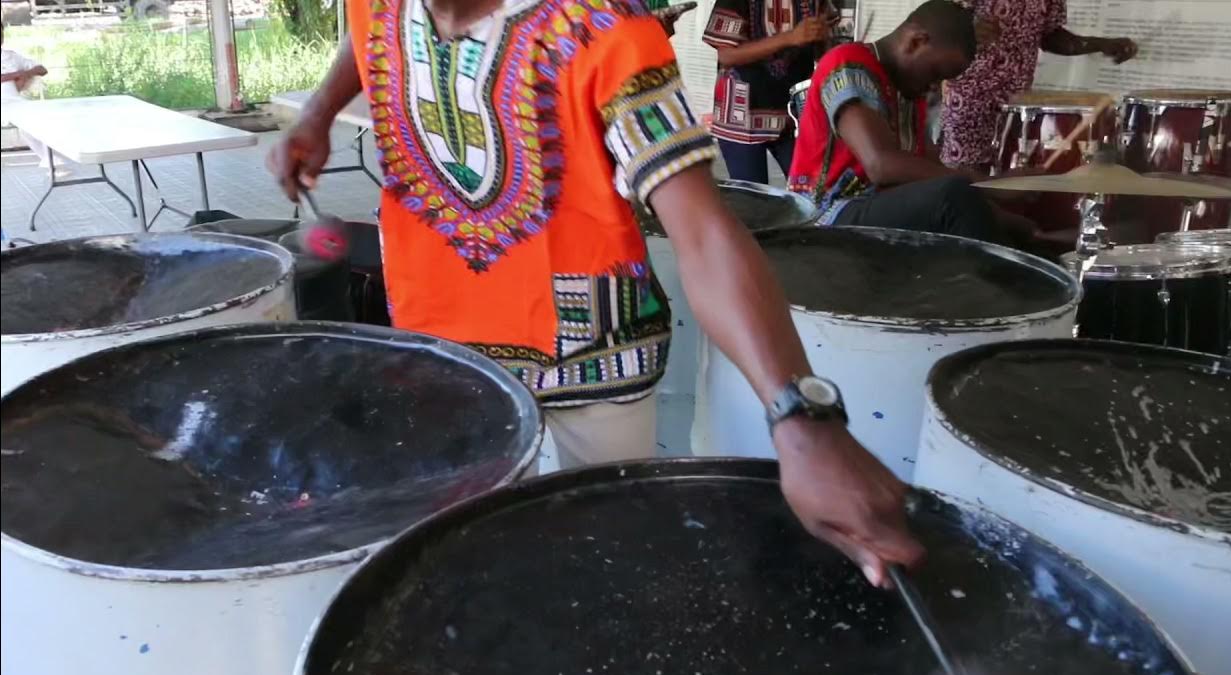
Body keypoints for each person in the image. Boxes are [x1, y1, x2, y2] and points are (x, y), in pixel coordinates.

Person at [268, 0, 923, 587]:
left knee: (611, 569)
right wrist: (319, 114)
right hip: (441, 350)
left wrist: (800, 421)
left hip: (590, 361)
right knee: (473, 574)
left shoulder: (607, 28)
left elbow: (700, 231)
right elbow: (365, 34)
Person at [788, 0, 1032, 244]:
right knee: (954, 196)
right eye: (935, 74)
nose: (935, 86)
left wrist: (1001, 214)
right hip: (824, 216)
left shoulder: (909, 92)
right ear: (916, 42)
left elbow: (929, 169)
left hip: (871, 209)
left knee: (1013, 229)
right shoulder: (847, 63)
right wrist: (986, 184)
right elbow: (881, 165)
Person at [941, 0, 1137, 170]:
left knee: (1006, 174)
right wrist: (966, 26)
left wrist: (1099, 44)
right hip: (970, 100)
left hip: (1018, 104)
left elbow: (1049, 35)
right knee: (967, 176)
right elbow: (939, 15)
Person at [702, 0, 835, 184]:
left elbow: (823, 48)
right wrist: (790, 38)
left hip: (791, 114)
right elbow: (727, 55)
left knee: (812, 190)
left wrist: (823, 38)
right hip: (741, 115)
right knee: (754, 200)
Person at [0, 21, 59, 171]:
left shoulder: (11, 57)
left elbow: (42, 69)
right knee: (24, 117)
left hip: (14, 103)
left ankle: (51, 160)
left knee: (31, 119)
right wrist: (15, 75)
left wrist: (26, 74)